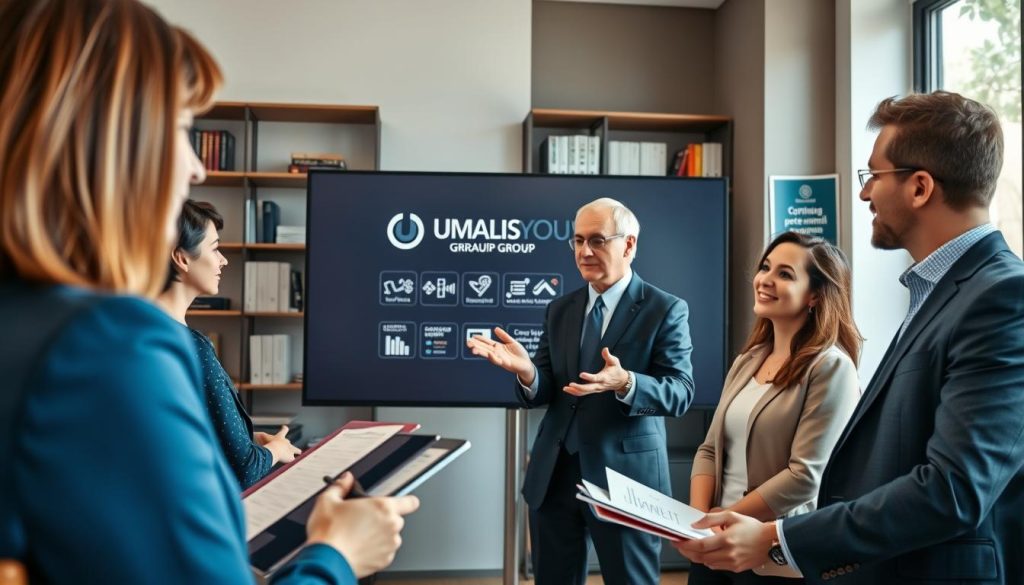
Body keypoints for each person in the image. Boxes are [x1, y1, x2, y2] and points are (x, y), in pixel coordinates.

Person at [0, 0, 418, 582]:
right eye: (179, 130)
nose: (196, 168)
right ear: (110, 144)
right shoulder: (106, 346)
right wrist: (335, 555)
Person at [675, 91, 1024, 584]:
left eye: (873, 177)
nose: (864, 194)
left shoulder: (1003, 296)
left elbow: (953, 490)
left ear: (920, 188)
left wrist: (777, 538)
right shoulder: (938, 290)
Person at [467, 197, 694, 585]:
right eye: (577, 240)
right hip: (554, 478)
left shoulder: (665, 309)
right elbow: (546, 389)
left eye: (597, 240)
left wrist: (626, 382)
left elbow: (680, 391)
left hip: (627, 482)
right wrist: (526, 374)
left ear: (629, 245)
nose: (584, 251)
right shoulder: (561, 309)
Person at [688, 231, 862, 585]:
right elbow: (709, 449)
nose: (765, 279)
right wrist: (696, 518)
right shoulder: (748, 360)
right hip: (715, 544)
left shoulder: (830, 367)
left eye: (785, 274)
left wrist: (726, 518)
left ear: (814, 295)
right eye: (766, 267)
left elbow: (805, 476)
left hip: (771, 555)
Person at [156, 200, 301, 489]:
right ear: (182, 258)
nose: (224, 260)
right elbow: (244, 470)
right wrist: (276, 451)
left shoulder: (143, 335)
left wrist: (248, 439)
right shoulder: (192, 348)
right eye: (214, 249)